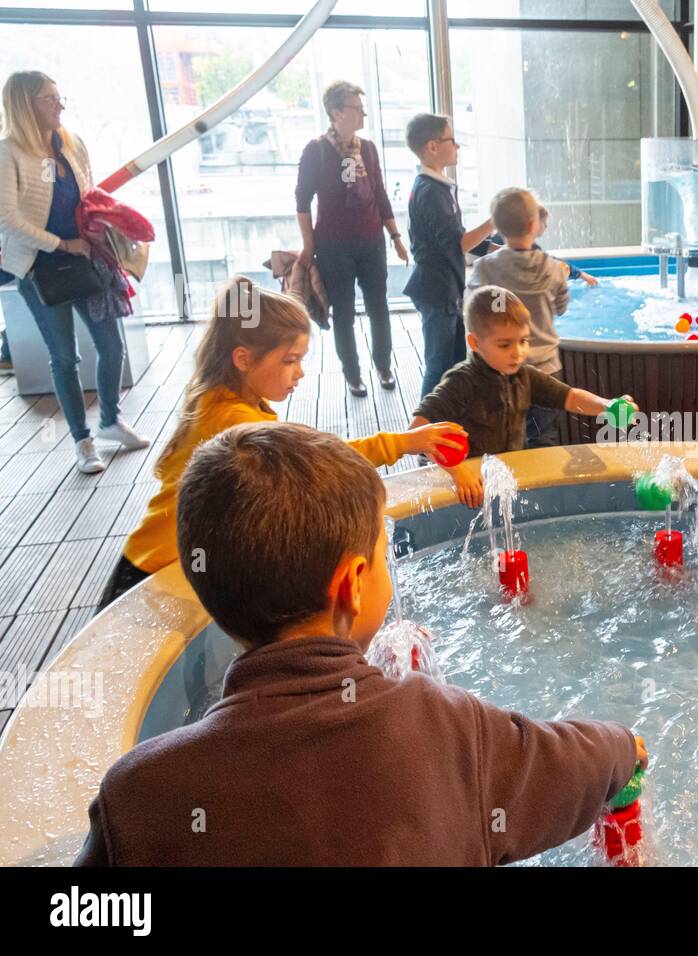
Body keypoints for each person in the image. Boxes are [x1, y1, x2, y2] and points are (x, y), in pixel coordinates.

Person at [76, 421, 647, 865]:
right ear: (351, 585)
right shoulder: (447, 729)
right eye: (381, 555)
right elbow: (567, 763)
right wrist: (625, 747)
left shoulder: (140, 794)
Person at [97, 277, 466, 611]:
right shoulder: (234, 422)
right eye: (290, 360)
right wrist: (404, 443)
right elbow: (320, 459)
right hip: (154, 574)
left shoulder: (225, 399)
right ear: (242, 358)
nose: (300, 372)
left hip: (154, 558)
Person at [0, 70, 148, 474]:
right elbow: (7, 218)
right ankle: (83, 442)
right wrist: (62, 244)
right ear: (25, 105)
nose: (60, 105)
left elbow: (88, 195)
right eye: (50, 99)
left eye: (60, 97)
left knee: (111, 343)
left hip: (86, 255)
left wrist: (100, 225)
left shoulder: (70, 144)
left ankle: (111, 421)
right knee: (64, 356)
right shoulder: (9, 153)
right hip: (39, 266)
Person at [410, 285, 636, 508]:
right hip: (468, 487)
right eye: (505, 344)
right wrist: (458, 470)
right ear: (475, 343)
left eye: (523, 341)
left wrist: (606, 405)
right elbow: (417, 428)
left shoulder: (524, 376)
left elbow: (571, 397)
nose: (517, 352)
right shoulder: (462, 382)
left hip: (506, 477)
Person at [295, 81, 407, 398]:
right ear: (336, 112)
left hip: (371, 240)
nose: (363, 114)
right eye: (357, 108)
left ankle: (383, 365)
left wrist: (395, 236)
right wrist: (309, 244)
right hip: (333, 245)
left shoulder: (367, 149)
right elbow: (302, 201)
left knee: (379, 307)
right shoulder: (316, 151)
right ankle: (353, 374)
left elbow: (380, 194)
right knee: (343, 311)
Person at [467, 188, 570, 448]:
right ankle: (542, 487)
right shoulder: (553, 268)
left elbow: (474, 310)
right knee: (544, 438)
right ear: (533, 225)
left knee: (501, 438)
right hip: (546, 368)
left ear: (498, 228)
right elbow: (561, 307)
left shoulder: (486, 268)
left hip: (501, 370)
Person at [403, 113, 495, 401]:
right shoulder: (430, 191)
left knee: (454, 361)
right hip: (436, 289)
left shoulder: (437, 186)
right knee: (438, 365)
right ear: (433, 146)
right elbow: (457, 243)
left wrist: (502, 249)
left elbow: (460, 238)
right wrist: (495, 221)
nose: (457, 146)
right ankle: (422, 434)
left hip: (446, 288)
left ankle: (448, 422)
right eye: (451, 140)